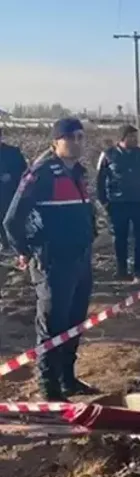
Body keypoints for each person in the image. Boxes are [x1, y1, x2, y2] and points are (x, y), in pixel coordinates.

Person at [2, 118, 98, 401]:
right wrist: (25, 250)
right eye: (71, 137)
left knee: (74, 322)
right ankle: (49, 388)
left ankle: (67, 378)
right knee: (53, 325)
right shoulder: (41, 173)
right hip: (53, 262)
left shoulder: (79, 173)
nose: (77, 142)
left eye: (81, 137)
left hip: (80, 259)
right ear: (56, 142)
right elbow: (12, 220)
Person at [96, 125, 140, 280]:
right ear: (122, 138)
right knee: (120, 237)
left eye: (136, 136)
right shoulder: (108, 155)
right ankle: (122, 270)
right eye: (131, 137)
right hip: (117, 203)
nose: (135, 140)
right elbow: (99, 180)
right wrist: (103, 201)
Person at [0, 127, 28, 255]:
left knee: (9, 220)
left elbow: (25, 172)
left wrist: (11, 176)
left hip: (9, 194)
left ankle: (12, 245)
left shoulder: (13, 153)